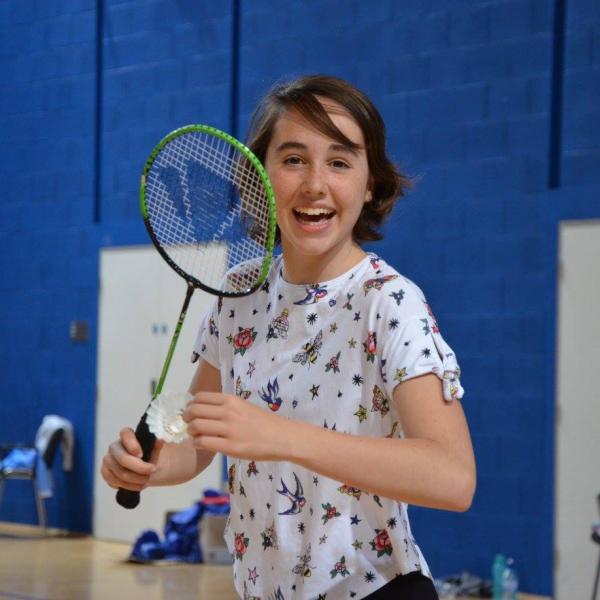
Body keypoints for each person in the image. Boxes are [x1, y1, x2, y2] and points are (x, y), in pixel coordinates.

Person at [101, 75, 476, 600]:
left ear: (370, 184)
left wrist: (281, 436)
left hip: (375, 591)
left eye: (340, 162)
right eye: (294, 159)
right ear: (259, 175)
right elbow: (197, 445)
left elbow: (453, 477)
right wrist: (147, 466)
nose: (315, 184)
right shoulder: (239, 292)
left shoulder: (389, 303)